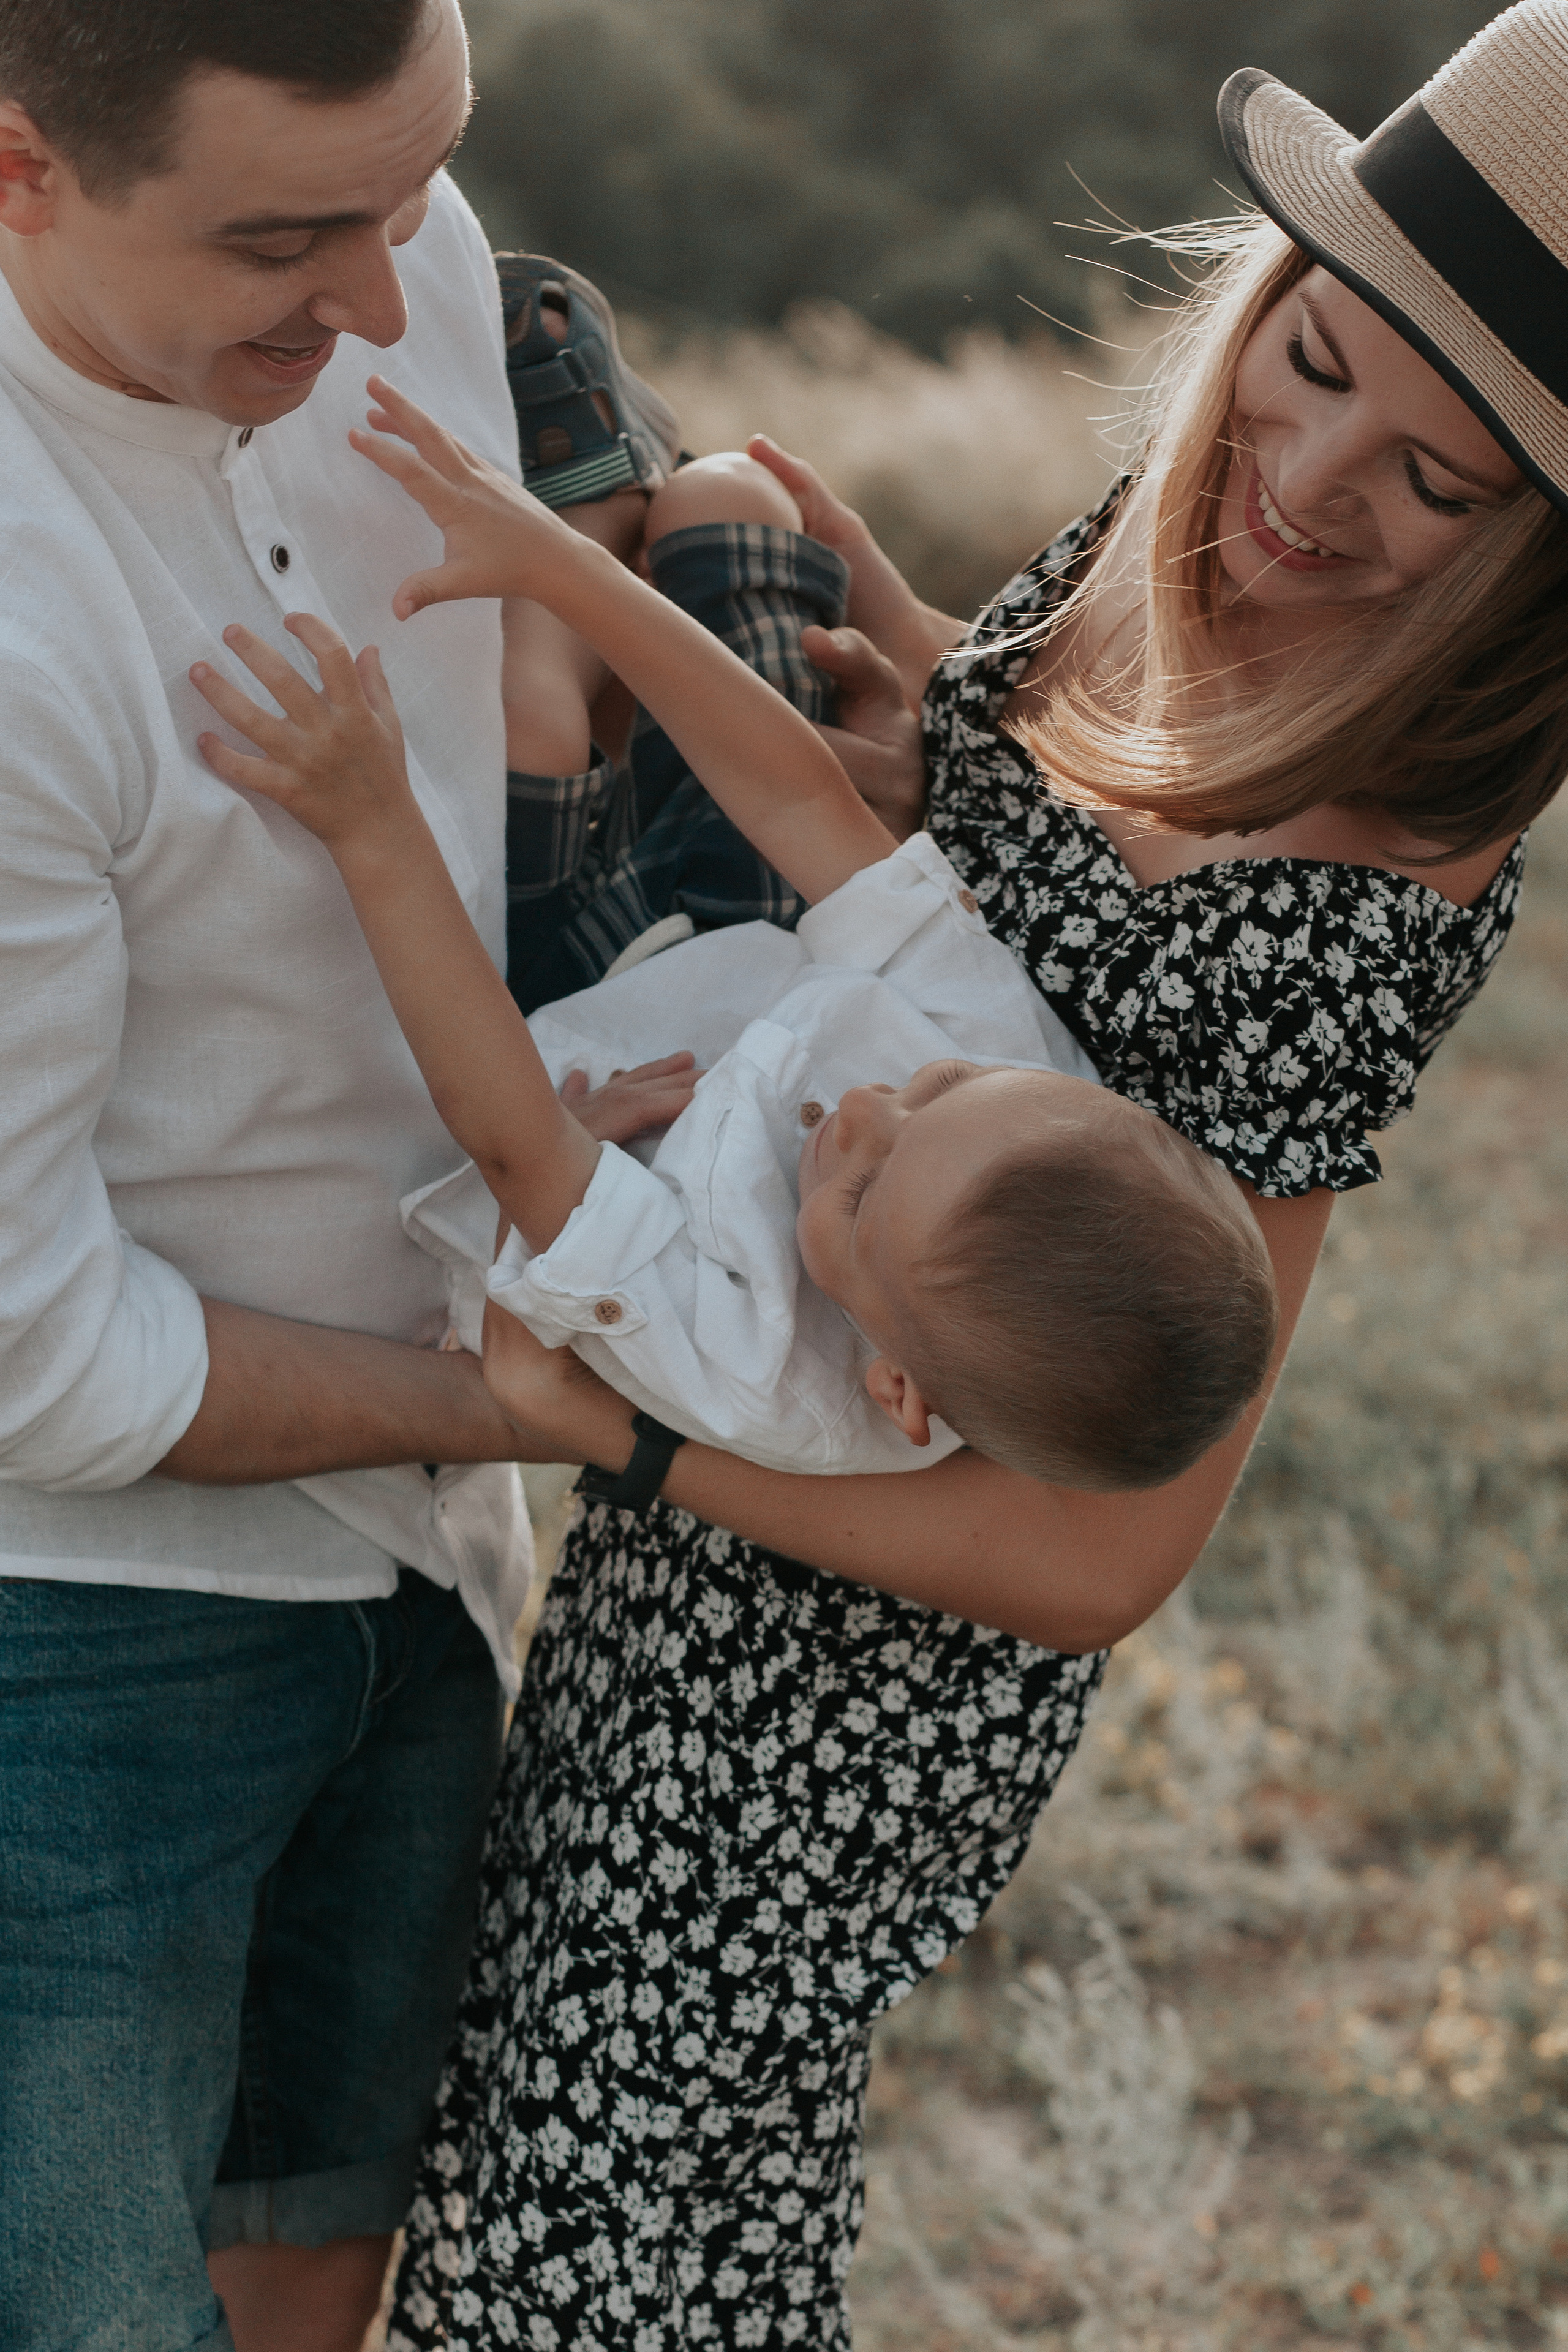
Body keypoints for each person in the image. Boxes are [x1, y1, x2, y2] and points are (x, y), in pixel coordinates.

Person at [386, 5, 1568, 2346]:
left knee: (613, 2203)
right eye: (1313, 361)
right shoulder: (1194, 546)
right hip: (766, 1296)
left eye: (1437, 485)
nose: (1316, 481)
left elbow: (1103, 1543)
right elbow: (1022, 892)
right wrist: (923, 663)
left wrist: (621, 1433)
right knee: (522, 2103)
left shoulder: (1377, 874)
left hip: (854, 1632)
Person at [0, 4, 583, 2347]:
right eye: (279, 240)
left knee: (309, 2297)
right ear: (18, 169)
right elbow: (31, 1353)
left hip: (426, 1583)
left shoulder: (397, 264)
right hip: (72, 1656)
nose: (378, 302)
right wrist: (543, 1406)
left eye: (413, 189)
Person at [187, 382, 1276, 1489]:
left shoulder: (748, 1364)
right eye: (936, 1086)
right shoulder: (1013, 1081)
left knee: (534, 706)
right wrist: (559, 569)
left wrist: (374, 825)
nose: (866, 1113)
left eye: (858, 1196)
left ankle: (566, 616)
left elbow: (513, 1132)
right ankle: (583, 540)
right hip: (718, 954)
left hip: (525, 1035)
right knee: (714, 505)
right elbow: (808, 809)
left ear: (896, 1386)